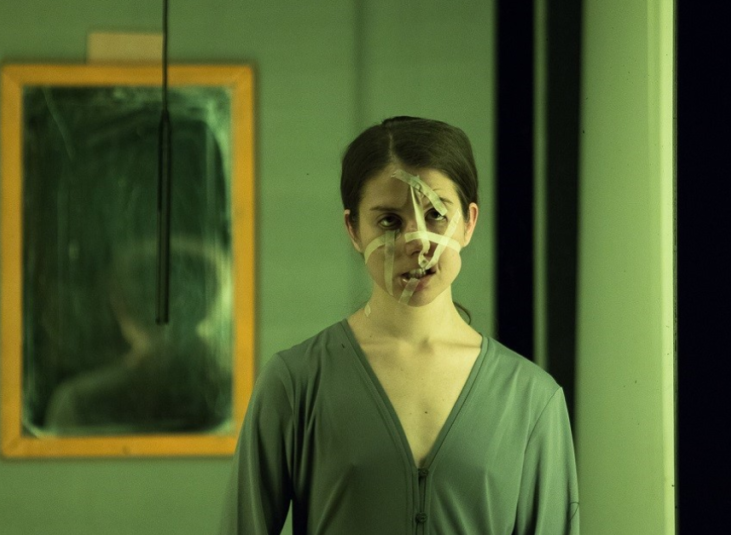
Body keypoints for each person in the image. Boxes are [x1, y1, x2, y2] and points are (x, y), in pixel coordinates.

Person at [220, 117, 579, 534]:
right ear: (354, 229)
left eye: (437, 215)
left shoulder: (532, 398)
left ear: (469, 222)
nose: (418, 241)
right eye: (390, 221)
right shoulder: (295, 383)